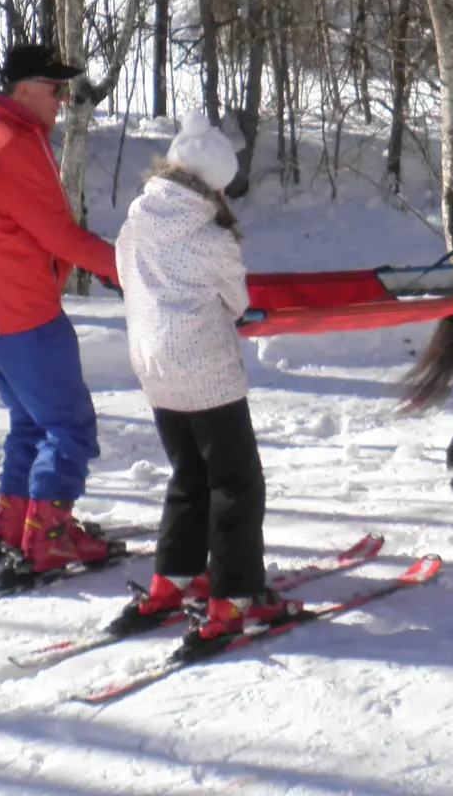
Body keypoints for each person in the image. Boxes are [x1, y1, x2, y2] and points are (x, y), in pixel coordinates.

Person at [110, 111, 299, 657]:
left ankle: (174, 579)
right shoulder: (209, 233)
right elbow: (239, 303)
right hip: (204, 369)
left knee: (188, 474)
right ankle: (237, 597)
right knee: (236, 483)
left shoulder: (136, 219)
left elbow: (126, 277)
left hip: (153, 365)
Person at [0, 43, 122, 572]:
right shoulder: (9, 143)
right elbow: (57, 233)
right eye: (54, 88)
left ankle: (14, 518)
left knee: (30, 421)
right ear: (23, 88)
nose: (63, 99)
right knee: (68, 426)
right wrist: (125, 267)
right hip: (17, 312)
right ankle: (48, 534)